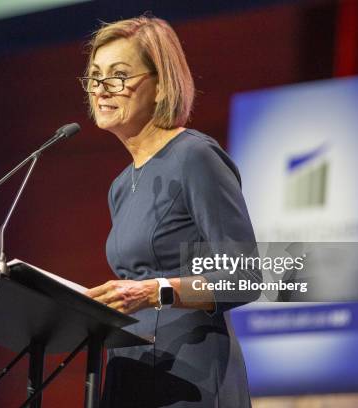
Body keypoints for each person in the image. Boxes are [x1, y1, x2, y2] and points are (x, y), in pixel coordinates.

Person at [81, 15, 261, 408]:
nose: (101, 89)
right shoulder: (120, 185)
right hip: (133, 367)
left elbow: (245, 277)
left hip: (190, 375)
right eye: (95, 77)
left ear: (161, 85)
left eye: (119, 75)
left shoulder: (194, 156)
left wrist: (156, 291)